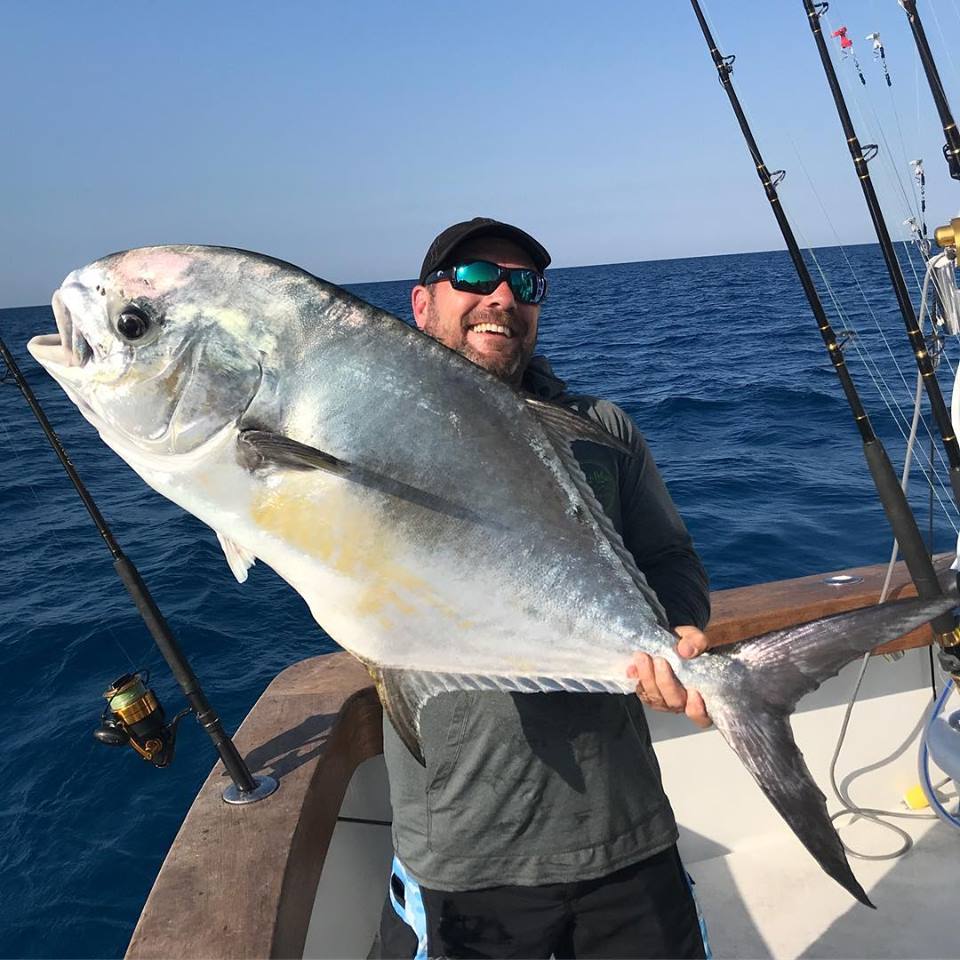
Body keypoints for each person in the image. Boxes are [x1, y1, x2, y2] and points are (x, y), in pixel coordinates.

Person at [379, 217, 712, 960]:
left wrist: (680, 626)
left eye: (523, 284)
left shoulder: (601, 429)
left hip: (625, 829)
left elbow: (670, 557)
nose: (501, 296)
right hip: (465, 850)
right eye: (472, 277)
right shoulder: (375, 433)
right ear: (421, 303)